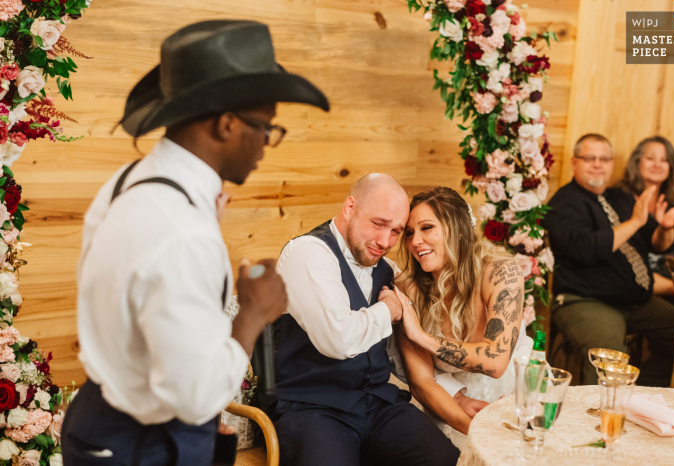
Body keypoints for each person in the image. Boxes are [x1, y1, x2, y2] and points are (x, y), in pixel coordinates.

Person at [63, 20, 330, 466]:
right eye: (266, 127)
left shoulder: (130, 181)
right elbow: (196, 397)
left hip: (102, 418)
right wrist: (254, 312)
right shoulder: (180, 230)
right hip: (143, 443)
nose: (267, 144)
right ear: (226, 124)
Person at [268, 174, 460, 466]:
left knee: (444, 459)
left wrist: (454, 392)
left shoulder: (386, 269)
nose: (385, 241)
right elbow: (338, 338)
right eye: (378, 224)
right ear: (349, 208)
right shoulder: (307, 252)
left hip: (377, 405)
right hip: (313, 408)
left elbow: (399, 355)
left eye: (396, 231)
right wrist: (388, 310)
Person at [542, 133, 674, 386]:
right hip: (585, 300)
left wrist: (666, 226)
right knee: (609, 358)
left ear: (612, 163)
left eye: (604, 159)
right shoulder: (564, 202)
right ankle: (595, 416)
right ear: (574, 162)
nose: (598, 164)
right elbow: (587, 249)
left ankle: (637, 392)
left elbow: (656, 244)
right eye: (590, 158)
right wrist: (635, 221)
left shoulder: (620, 198)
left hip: (637, 301)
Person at [392, 187, 531, 457]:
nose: (416, 241)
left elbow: (496, 361)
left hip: (513, 393)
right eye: (410, 233)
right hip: (448, 404)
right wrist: (478, 434)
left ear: (457, 228)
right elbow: (421, 381)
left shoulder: (501, 271)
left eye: (427, 228)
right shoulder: (408, 289)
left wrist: (421, 337)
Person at [618, 136, 674, 296]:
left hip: (673, 280)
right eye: (650, 158)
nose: (657, 165)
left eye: (664, 160)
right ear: (637, 162)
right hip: (634, 281)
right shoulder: (618, 198)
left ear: (671, 167)